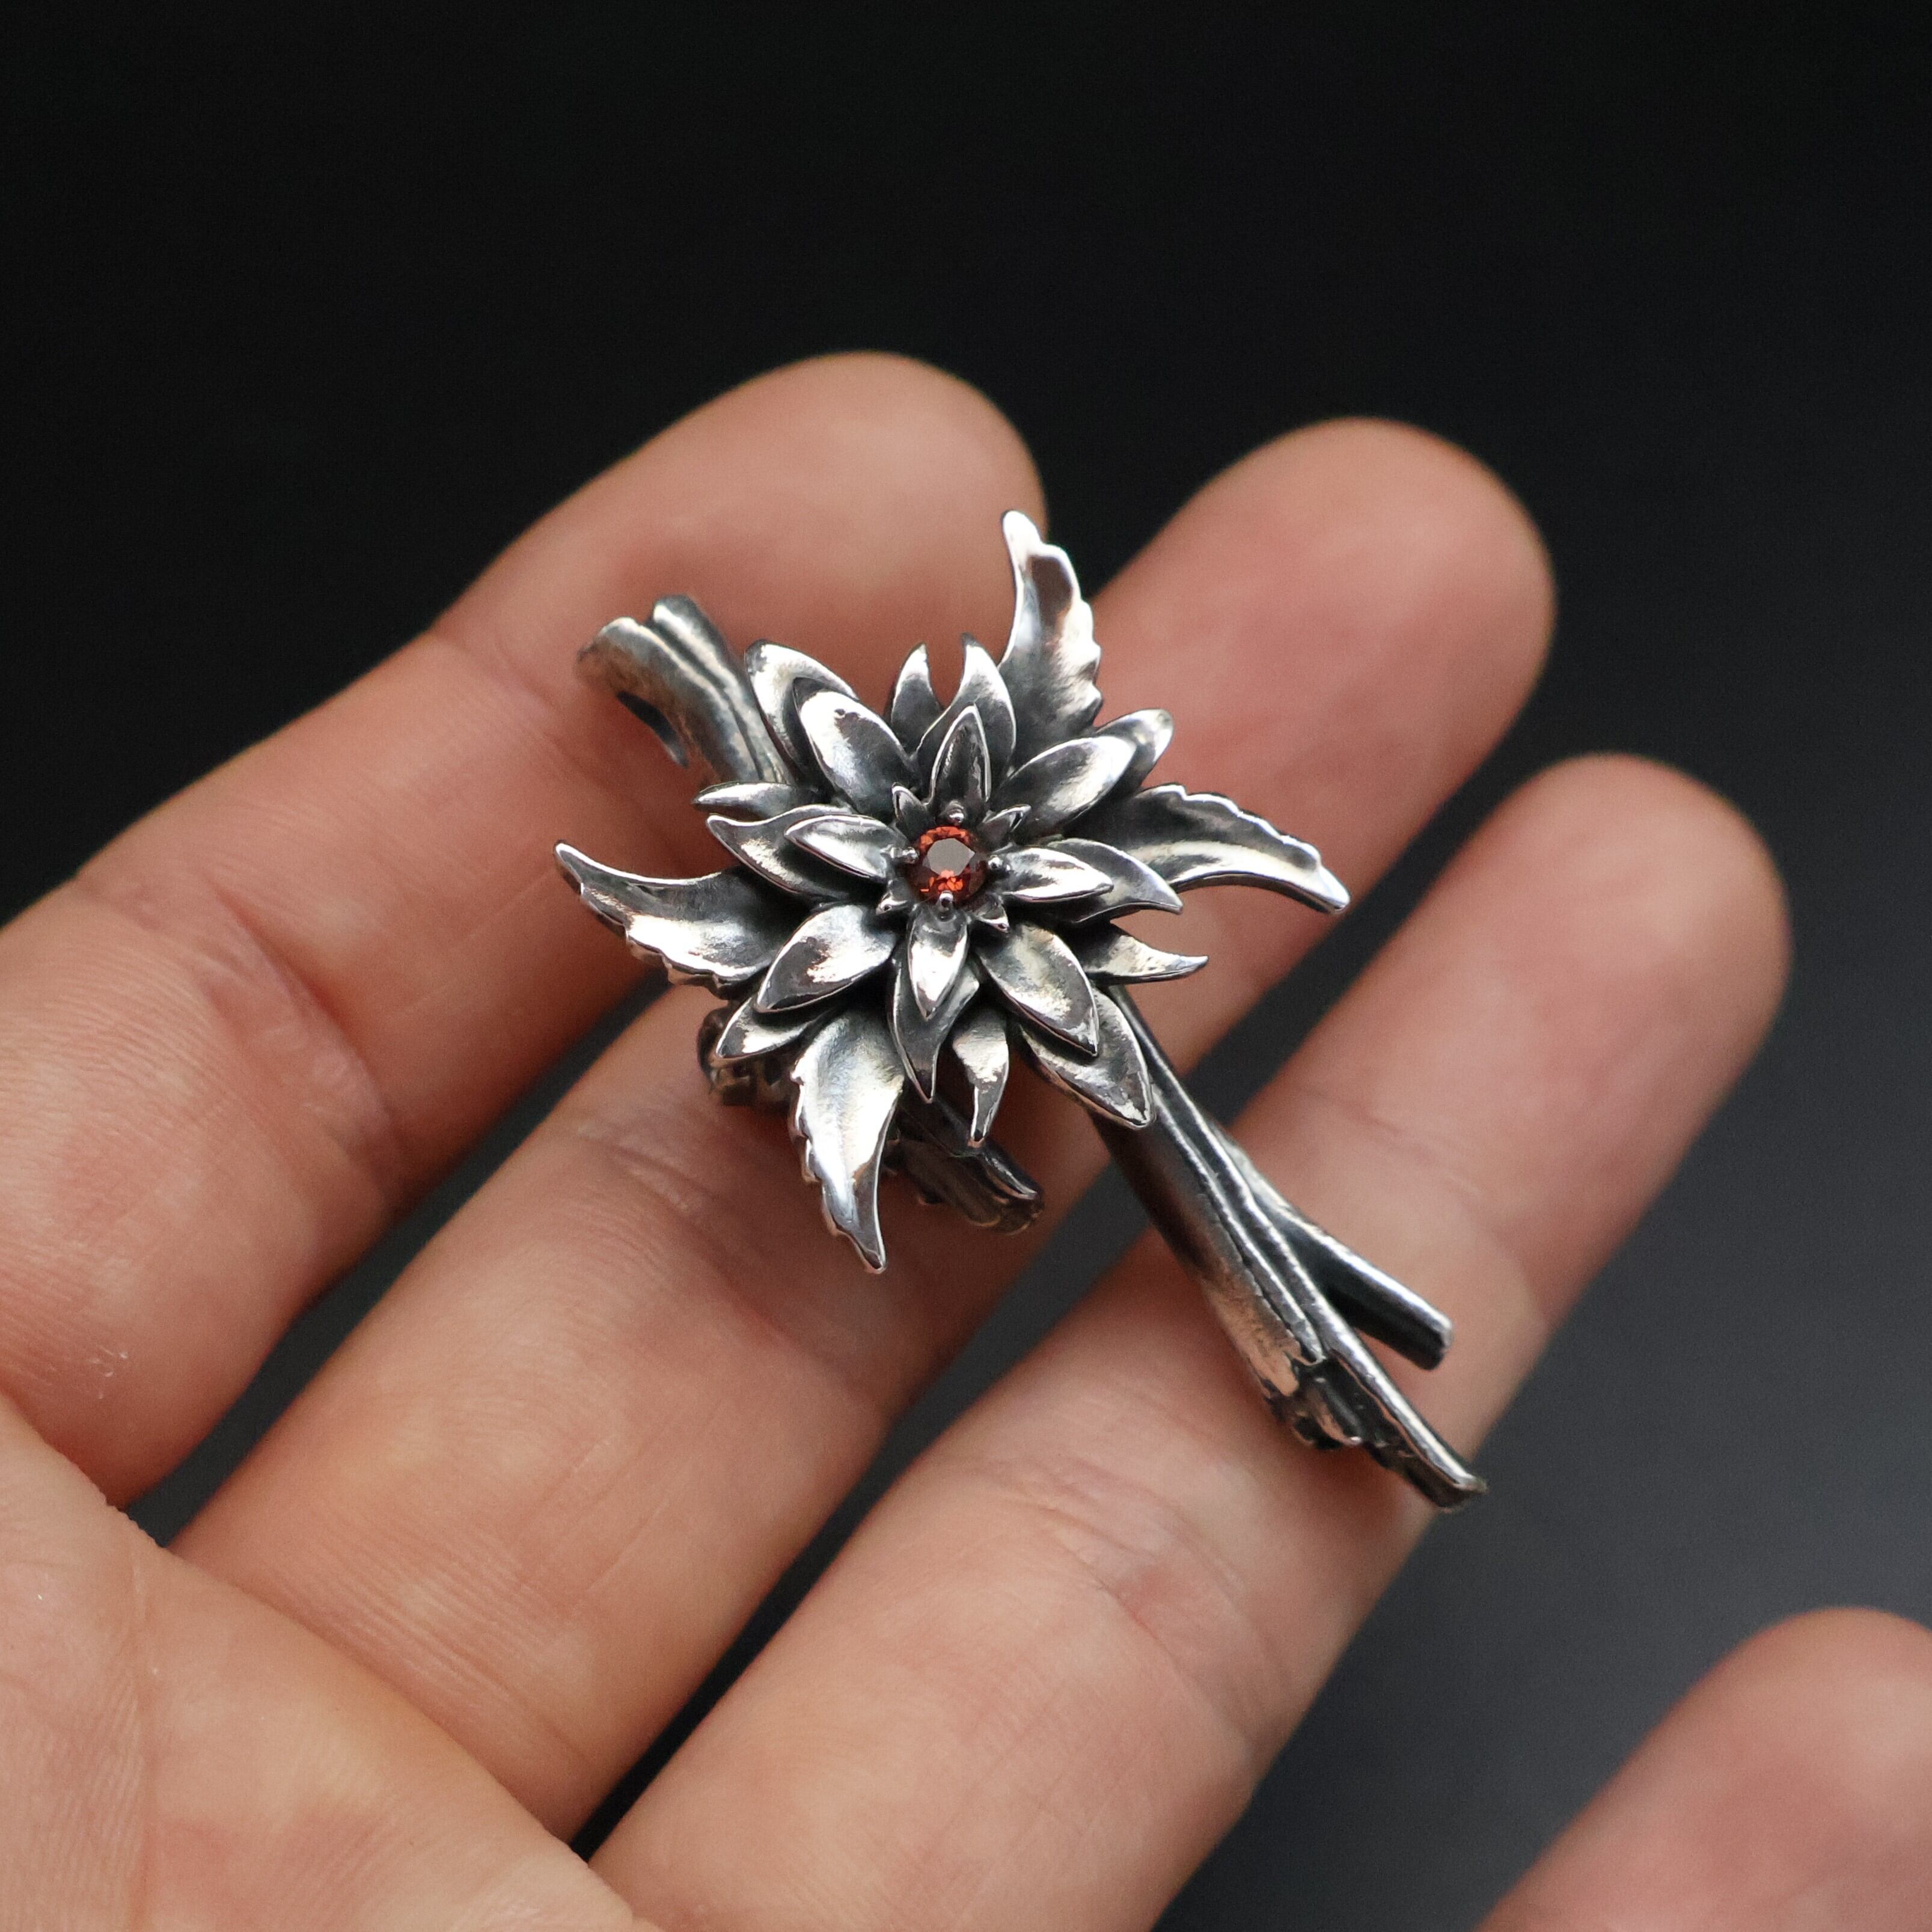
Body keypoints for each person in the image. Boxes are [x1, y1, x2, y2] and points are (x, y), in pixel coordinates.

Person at [11, 353, 1911, 1932]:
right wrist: (858, 1110)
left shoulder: (1016, 842)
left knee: (1216, 1185)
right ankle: (1325, 1367)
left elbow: (1051, 701)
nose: (948, 862)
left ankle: (1331, 1366)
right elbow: (791, 1033)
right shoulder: (845, 929)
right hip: (909, 984)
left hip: (1035, 1006)